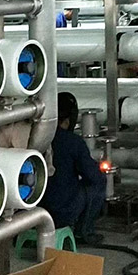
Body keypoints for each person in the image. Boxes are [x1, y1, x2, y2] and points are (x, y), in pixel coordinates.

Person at [41, 92, 106, 244]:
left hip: (34, 210)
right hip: (61, 213)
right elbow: (93, 176)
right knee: (99, 182)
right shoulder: (73, 142)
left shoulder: (36, 138)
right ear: (69, 119)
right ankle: (84, 232)